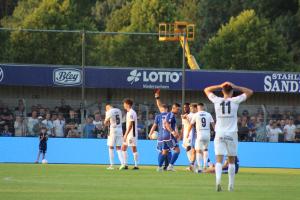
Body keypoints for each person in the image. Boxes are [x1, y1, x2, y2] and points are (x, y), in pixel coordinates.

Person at [204, 81, 253, 192]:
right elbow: (250, 92)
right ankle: (230, 185)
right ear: (232, 91)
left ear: (222, 91)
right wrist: (236, 86)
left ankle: (218, 182)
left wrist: (219, 85)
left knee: (218, 160)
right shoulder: (235, 100)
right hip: (231, 134)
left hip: (220, 133)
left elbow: (206, 89)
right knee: (231, 160)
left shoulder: (217, 100)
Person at [154, 89, 181, 171]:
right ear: (174, 108)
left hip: (162, 136)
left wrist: (157, 97)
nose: (178, 110)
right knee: (177, 150)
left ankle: (159, 167)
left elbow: (159, 106)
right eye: (178, 109)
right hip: (168, 136)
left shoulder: (165, 113)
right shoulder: (171, 114)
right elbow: (166, 123)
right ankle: (170, 166)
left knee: (165, 151)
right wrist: (173, 132)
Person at [187, 103, 215, 172]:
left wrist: (187, 133)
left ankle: (200, 168)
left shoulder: (196, 115)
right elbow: (213, 124)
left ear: (197, 108)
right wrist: (216, 132)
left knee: (198, 150)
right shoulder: (208, 114)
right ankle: (205, 166)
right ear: (203, 107)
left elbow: (191, 125)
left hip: (199, 134)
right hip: (207, 134)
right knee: (205, 149)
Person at [148, 103, 171, 171]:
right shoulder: (170, 115)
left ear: (162, 109)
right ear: (166, 109)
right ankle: (168, 166)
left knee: (161, 151)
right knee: (168, 151)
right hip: (168, 136)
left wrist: (150, 133)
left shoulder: (158, 116)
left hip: (160, 136)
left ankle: (160, 166)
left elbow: (154, 125)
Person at [104, 104, 124, 170]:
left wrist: (106, 121)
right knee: (118, 147)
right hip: (120, 130)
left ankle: (112, 165)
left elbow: (105, 122)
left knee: (111, 147)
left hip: (113, 130)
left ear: (107, 108)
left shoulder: (109, 112)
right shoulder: (119, 110)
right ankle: (123, 164)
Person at [121, 99, 139, 170]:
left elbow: (131, 125)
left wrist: (125, 134)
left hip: (132, 134)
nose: (124, 105)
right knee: (123, 148)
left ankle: (136, 165)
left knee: (133, 148)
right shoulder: (128, 112)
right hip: (129, 134)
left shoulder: (131, 112)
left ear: (128, 105)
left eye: (124, 104)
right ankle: (125, 165)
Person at [181, 103, 197, 171]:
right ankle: (192, 164)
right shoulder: (184, 115)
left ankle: (192, 165)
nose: (185, 109)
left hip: (192, 134)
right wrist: (181, 134)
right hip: (186, 134)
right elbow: (183, 126)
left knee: (190, 148)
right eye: (184, 107)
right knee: (188, 149)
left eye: (186, 107)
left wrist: (186, 118)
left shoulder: (192, 115)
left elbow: (192, 124)